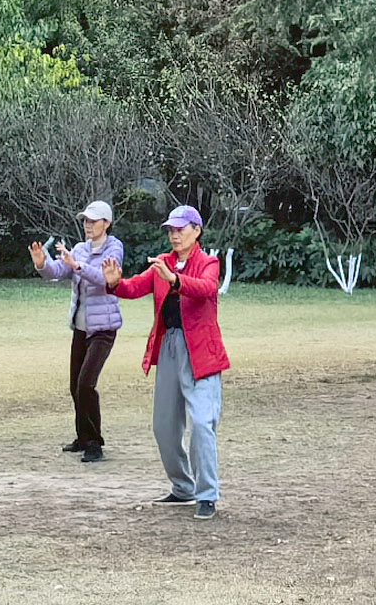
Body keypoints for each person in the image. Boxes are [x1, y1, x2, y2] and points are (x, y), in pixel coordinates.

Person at [109, 203, 230, 518]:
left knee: (202, 424)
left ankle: (206, 495)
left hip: (202, 351)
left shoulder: (208, 262)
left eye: (180, 229)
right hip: (170, 347)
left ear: (196, 231)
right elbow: (134, 287)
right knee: (163, 427)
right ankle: (183, 487)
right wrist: (114, 283)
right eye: (171, 230)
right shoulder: (162, 263)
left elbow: (206, 288)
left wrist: (175, 280)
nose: (174, 235)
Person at [32, 198, 125, 461]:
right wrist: (42, 264)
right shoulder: (80, 249)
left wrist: (77, 266)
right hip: (81, 328)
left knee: (86, 384)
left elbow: (104, 280)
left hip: (103, 328)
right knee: (75, 385)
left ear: (106, 223)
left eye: (93, 221)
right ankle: (83, 437)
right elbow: (57, 271)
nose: (88, 225)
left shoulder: (114, 247)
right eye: (85, 220)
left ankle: (94, 443)